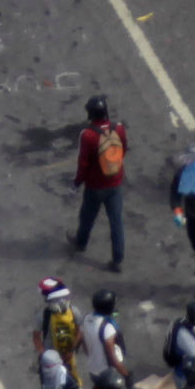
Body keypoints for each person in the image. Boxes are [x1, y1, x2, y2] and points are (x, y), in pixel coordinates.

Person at [71, 93, 129, 268]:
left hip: (95, 186)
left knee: (87, 216)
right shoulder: (118, 128)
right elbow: (124, 149)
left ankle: (81, 243)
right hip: (115, 182)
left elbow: (83, 163)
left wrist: (77, 182)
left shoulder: (88, 135)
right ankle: (117, 260)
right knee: (116, 222)